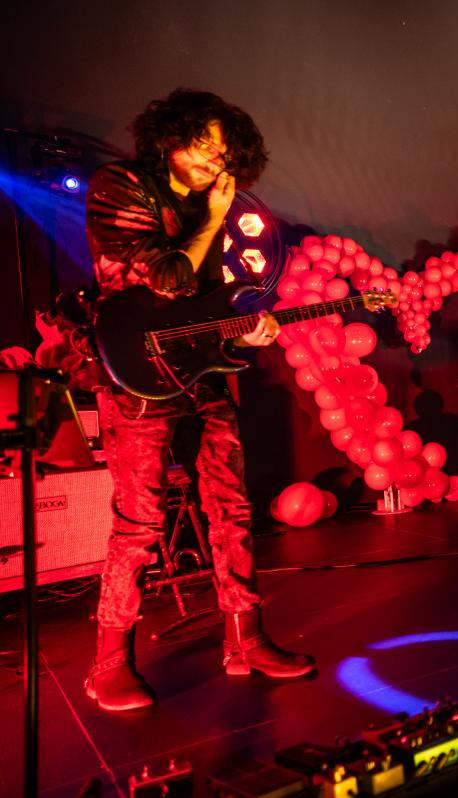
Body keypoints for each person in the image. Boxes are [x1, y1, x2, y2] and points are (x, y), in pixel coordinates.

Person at [85, 89, 314, 712]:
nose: (214, 161)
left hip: (199, 371)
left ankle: (246, 640)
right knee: (140, 520)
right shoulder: (122, 187)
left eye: (223, 153)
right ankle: (108, 664)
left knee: (232, 505)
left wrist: (245, 330)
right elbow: (167, 281)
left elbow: (205, 307)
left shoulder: (211, 205)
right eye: (204, 146)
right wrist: (212, 220)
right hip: (135, 374)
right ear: (170, 136)